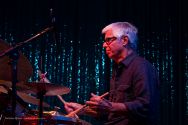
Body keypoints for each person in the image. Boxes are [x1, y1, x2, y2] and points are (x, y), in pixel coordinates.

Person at [64, 22, 160, 125]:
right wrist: (82, 110)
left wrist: (110, 106)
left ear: (124, 40)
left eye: (108, 40)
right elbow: (112, 113)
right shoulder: (117, 69)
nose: (104, 45)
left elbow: (147, 106)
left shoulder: (141, 66)